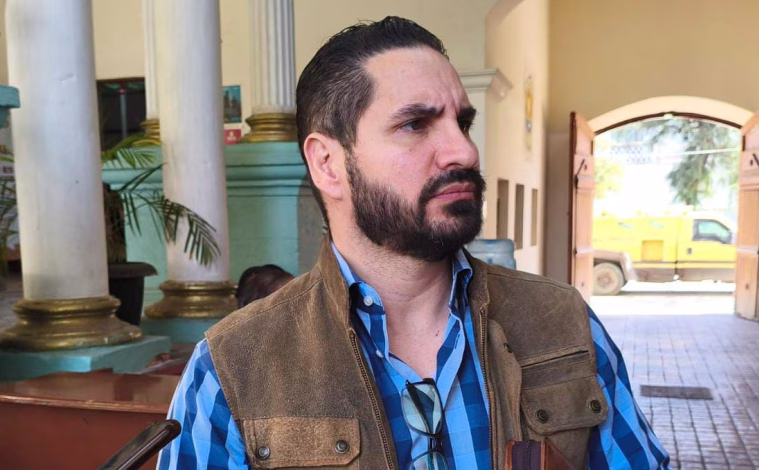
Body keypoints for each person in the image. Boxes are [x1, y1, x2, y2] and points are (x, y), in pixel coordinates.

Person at [158, 17, 670, 470]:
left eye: (461, 123)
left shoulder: (563, 324)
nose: (463, 150)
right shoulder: (232, 367)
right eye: (414, 124)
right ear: (328, 164)